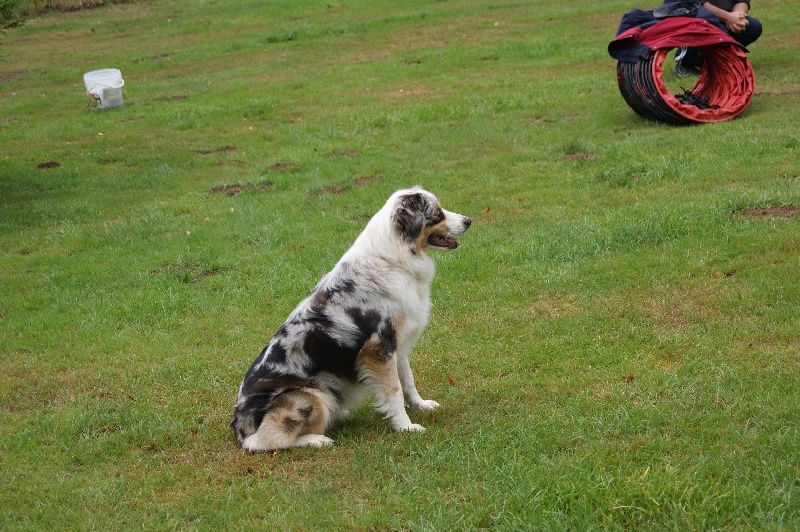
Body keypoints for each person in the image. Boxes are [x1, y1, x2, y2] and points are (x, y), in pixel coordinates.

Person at [674, 1, 763, 77]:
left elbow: (741, 1)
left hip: (724, 18)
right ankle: (684, 64)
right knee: (701, 23)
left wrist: (738, 16)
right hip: (693, 12)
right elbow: (697, 3)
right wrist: (728, 17)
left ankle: (713, 59)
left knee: (754, 27)